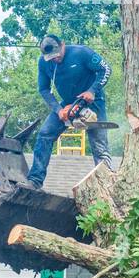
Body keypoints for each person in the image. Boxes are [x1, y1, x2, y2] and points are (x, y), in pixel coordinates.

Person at [28, 34, 112, 187]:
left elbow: (105, 69)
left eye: (57, 55)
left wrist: (92, 90)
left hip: (92, 101)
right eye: (51, 57)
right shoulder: (44, 63)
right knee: (45, 134)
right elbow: (44, 89)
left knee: (99, 145)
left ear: (63, 44)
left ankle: (107, 185)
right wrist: (58, 110)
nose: (55, 59)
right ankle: (35, 180)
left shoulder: (82, 53)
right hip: (67, 103)